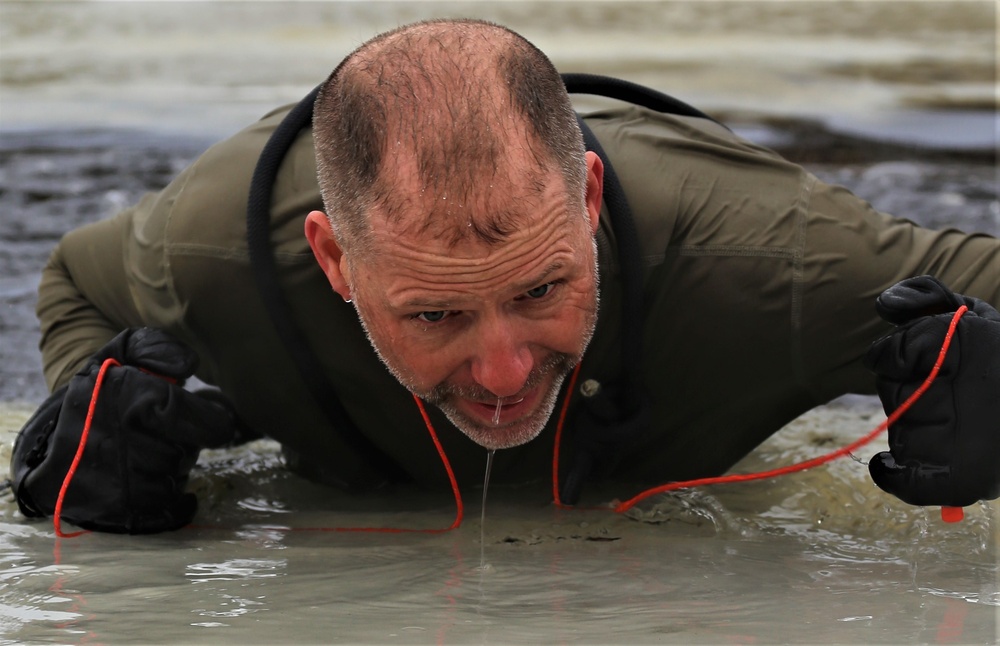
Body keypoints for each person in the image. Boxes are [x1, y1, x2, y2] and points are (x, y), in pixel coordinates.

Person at [10, 19, 1000, 534]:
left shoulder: (762, 259)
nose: (497, 372)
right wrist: (88, 403)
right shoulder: (214, 253)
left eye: (538, 290)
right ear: (333, 260)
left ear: (587, 200)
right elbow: (73, 281)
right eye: (435, 310)